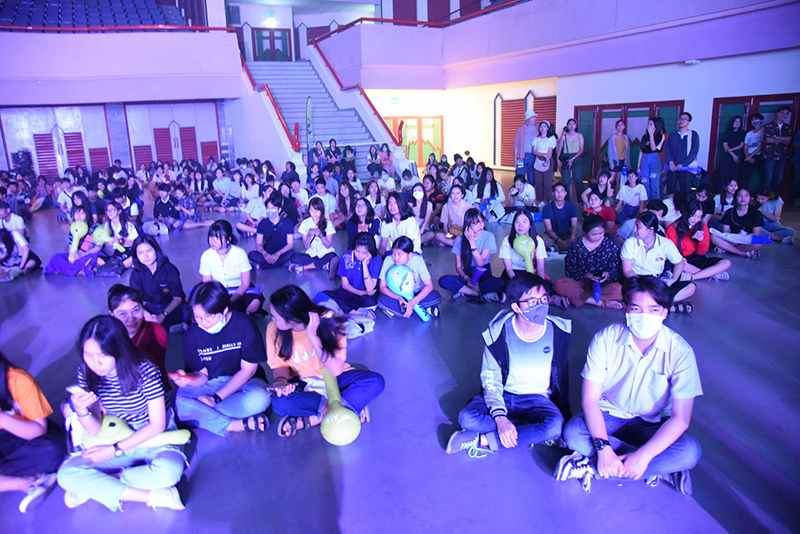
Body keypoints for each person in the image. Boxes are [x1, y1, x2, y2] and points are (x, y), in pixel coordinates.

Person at [556, 276, 703, 495]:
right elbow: (590, 399)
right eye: (636, 309)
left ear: (664, 313)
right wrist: (603, 449)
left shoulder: (681, 352)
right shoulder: (605, 339)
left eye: (653, 309)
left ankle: (591, 467)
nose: (644, 316)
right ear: (625, 309)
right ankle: (660, 467)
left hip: (652, 423)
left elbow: (680, 418)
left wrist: (643, 455)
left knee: (690, 452)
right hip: (609, 415)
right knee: (574, 433)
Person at [57, 316, 186, 511]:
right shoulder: (86, 373)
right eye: (88, 355)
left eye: (103, 355)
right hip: (116, 433)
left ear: (118, 349)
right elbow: (95, 429)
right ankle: (154, 496)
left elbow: (157, 425)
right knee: (65, 474)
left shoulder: (144, 369)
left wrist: (114, 450)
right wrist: (82, 412)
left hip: (153, 436)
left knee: (169, 471)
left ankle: (99, 485)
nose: (95, 363)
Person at [446, 273, 570, 457]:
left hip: (537, 399)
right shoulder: (497, 334)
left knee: (555, 426)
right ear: (516, 307)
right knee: (467, 418)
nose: (541, 305)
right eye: (532, 301)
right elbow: (490, 379)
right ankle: (527, 431)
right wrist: (500, 418)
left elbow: (562, 378)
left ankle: (483, 440)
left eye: (544, 299)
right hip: (503, 394)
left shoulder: (559, 331)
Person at [267, 285, 385, 436]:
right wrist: (282, 381)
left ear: (292, 318)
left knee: (375, 382)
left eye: (275, 316)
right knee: (279, 403)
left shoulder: (329, 320)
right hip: (303, 382)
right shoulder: (274, 329)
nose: (272, 319)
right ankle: (345, 409)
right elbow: (279, 364)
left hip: (335, 377)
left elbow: (335, 370)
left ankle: (310, 419)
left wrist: (313, 338)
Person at [172, 282, 271, 436]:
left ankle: (202, 416)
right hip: (212, 383)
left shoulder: (244, 324)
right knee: (181, 399)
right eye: (198, 317)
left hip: (245, 382)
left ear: (224, 310)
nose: (203, 323)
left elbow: (248, 371)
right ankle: (236, 424)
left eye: (208, 317)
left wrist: (216, 399)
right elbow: (202, 376)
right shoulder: (193, 334)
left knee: (260, 398)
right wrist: (188, 379)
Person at [0, 350, 66, 513]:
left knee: (52, 451)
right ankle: (23, 482)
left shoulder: (17, 379)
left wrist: (2, 418)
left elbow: (38, 430)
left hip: (27, 438)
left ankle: (21, 477)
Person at [620, 212, 696, 313]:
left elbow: (679, 263)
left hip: (656, 280)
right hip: (636, 280)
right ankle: (665, 306)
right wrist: (645, 282)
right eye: (635, 226)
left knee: (691, 287)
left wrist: (673, 279)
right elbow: (627, 271)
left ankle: (652, 305)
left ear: (651, 230)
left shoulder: (666, 244)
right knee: (628, 291)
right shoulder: (630, 243)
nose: (635, 230)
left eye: (638, 227)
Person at [107, 284, 170, 391]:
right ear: (112, 314)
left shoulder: (156, 331)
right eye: (122, 314)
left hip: (150, 388)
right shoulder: (106, 336)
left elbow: (154, 368)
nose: (131, 318)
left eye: (136, 310)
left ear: (142, 308)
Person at [553, 214, 623, 309]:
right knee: (560, 284)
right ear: (586, 232)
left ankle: (577, 298)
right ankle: (599, 302)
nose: (598, 237)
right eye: (593, 234)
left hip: (602, 284)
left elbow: (614, 267)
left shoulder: (610, 245)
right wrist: (585, 276)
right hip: (581, 283)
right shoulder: (576, 245)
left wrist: (607, 274)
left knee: (619, 290)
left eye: (601, 233)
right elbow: (570, 270)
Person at [199, 220, 264, 315]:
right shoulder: (206, 256)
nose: (213, 241)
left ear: (228, 239)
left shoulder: (239, 253)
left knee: (255, 302)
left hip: (240, 289)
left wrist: (230, 301)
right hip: (218, 291)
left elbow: (245, 284)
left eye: (218, 237)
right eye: (211, 236)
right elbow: (207, 284)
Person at [438, 208, 504, 302]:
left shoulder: (489, 236)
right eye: (475, 223)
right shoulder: (460, 239)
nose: (479, 226)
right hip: (468, 275)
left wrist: (471, 241)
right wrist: (467, 279)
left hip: (484, 274)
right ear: (468, 225)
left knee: (500, 282)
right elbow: (458, 267)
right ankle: (478, 293)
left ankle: (465, 290)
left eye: (481, 222)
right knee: (444, 280)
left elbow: (480, 263)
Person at [317, 232, 382, 318]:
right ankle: (356, 312)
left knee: (371, 302)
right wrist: (360, 293)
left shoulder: (376, 260)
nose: (360, 255)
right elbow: (345, 285)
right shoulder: (346, 256)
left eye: (364, 253)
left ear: (370, 252)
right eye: (357, 251)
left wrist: (364, 264)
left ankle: (342, 309)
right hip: (349, 292)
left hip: (366, 296)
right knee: (320, 295)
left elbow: (370, 289)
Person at [665, 200, 732, 281]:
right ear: (687, 214)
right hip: (681, 258)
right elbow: (671, 248)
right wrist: (680, 257)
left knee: (726, 262)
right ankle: (711, 273)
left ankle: (693, 276)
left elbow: (701, 252)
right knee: (680, 264)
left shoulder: (703, 227)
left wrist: (701, 241)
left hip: (696, 257)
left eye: (699, 217)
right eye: (693, 216)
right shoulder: (673, 227)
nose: (696, 219)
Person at [129, 235, 186, 330]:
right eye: (140, 253)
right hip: (149, 308)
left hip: (171, 306)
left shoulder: (169, 269)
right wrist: (149, 316)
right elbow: (135, 300)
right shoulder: (136, 274)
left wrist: (162, 315)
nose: (145, 256)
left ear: (156, 250)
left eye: (148, 251)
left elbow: (177, 298)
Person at [378, 236, 441, 318]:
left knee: (435, 296)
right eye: (393, 253)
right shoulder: (388, 260)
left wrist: (413, 301)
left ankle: (400, 311)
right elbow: (382, 287)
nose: (396, 258)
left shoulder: (418, 260)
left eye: (400, 254)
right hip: (397, 297)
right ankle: (422, 310)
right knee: (381, 299)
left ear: (409, 255)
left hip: (416, 294)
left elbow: (429, 286)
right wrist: (398, 297)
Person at [44, 204, 101, 277]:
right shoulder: (73, 228)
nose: (78, 216)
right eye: (76, 213)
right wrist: (73, 256)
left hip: (89, 254)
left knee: (92, 259)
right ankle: (78, 269)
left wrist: (82, 255)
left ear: (87, 215)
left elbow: (98, 247)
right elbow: (71, 247)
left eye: (82, 213)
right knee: (55, 258)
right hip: (77, 256)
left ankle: (71, 269)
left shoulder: (95, 227)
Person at [288, 197, 338, 277]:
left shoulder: (328, 224)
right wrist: (309, 235)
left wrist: (320, 235)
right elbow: (306, 246)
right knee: (293, 257)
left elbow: (328, 245)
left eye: (317, 211)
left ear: (321, 211)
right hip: (311, 254)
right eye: (312, 210)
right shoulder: (305, 223)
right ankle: (324, 265)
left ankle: (303, 268)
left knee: (332, 255)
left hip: (325, 253)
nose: (314, 213)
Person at [247, 191, 295, 270]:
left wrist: (278, 253)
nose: (270, 210)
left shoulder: (287, 223)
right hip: (268, 252)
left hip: (282, 252)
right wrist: (265, 254)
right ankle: (280, 263)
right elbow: (258, 244)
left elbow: (290, 244)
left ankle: (263, 266)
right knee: (251, 255)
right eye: (268, 208)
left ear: (279, 210)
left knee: (291, 254)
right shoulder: (263, 223)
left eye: (273, 208)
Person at [499, 209, 547, 283]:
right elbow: (509, 269)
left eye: (524, 221)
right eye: (517, 221)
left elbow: (540, 268)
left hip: (532, 273)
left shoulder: (538, 240)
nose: (520, 225)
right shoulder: (507, 240)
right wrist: (518, 282)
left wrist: (540, 283)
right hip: (513, 274)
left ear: (530, 225)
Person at [716, 187, 765, 258]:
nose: (743, 198)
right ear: (735, 197)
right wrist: (733, 238)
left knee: (757, 244)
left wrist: (740, 238)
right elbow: (725, 231)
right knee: (713, 237)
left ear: (750, 198)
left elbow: (756, 233)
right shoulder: (729, 212)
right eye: (740, 196)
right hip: (731, 239)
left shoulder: (756, 213)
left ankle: (726, 249)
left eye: (746, 196)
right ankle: (742, 253)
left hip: (746, 240)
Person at [664, 112, 700, 195]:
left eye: (685, 119)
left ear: (689, 122)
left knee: (686, 191)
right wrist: (670, 162)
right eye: (680, 118)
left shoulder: (693, 135)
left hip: (686, 168)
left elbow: (694, 152)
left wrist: (683, 164)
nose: (682, 121)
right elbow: (667, 149)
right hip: (673, 167)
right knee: (671, 190)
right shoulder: (672, 135)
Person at [762, 106, 793, 193]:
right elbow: (768, 140)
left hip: (782, 156)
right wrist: (783, 140)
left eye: (786, 113)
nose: (784, 115)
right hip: (770, 155)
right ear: (778, 113)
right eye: (782, 112)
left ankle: (774, 198)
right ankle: (764, 198)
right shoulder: (769, 126)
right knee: (768, 178)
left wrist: (776, 137)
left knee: (778, 179)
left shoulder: (787, 127)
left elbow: (788, 140)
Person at [542, 183, 578, 252]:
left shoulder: (572, 206)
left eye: (562, 191)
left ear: (565, 193)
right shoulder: (547, 208)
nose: (559, 193)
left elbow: (574, 225)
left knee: (580, 239)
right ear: (553, 193)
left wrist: (572, 237)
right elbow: (549, 229)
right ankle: (562, 247)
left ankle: (555, 248)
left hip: (567, 234)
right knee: (542, 240)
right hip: (553, 236)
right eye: (557, 191)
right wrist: (559, 241)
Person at [557, 118, 585, 203]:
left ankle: (581, 200)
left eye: (573, 124)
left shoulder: (579, 135)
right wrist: (557, 159)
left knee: (578, 180)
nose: (571, 126)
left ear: (576, 125)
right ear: (567, 125)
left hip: (576, 157)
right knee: (566, 181)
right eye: (569, 124)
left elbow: (581, 150)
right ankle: (567, 200)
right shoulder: (564, 136)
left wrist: (572, 159)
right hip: (566, 157)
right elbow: (559, 149)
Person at [638, 117, 666, 200]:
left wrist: (651, 135)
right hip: (645, 158)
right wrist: (638, 166)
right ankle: (646, 202)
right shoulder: (644, 137)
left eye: (651, 124)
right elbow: (641, 151)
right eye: (648, 124)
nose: (648, 126)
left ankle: (655, 203)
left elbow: (653, 148)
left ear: (656, 126)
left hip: (655, 158)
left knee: (654, 183)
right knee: (645, 182)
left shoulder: (661, 136)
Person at [717, 116, 746, 191]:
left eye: (739, 122)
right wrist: (732, 154)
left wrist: (731, 150)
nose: (737, 123)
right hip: (727, 156)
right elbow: (725, 147)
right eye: (735, 121)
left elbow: (741, 145)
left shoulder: (742, 133)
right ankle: (722, 191)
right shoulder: (727, 133)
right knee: (724, 174)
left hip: (738, 156)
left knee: (735, 174)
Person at [532, 121, 557, 203]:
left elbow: (550, 151)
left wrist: (547, 160)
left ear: (548, 128)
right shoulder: (536, 139)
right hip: (538, 160)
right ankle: (541, 201)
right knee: (538, 183)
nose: (542, 128)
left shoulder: (551, 138)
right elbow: (534, 151)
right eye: (541, 126)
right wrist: (543, 154)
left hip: (548, 160)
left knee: (547, 183)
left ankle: (549, 200)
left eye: (545, 126)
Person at [739, 113, 765, 188]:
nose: (754, 121)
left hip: (757, 155)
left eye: (756, 119)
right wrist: (747, 156)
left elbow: (761, 146)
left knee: (747, 173)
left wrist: (750, 157)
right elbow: (745, 147)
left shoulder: (763, 131)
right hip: (747, 155)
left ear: (761, 120)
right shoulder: (749, 134)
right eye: (753, 120)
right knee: (742, 173)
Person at [514, 110, 538, 186]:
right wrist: (515, 159)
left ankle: (530, 192)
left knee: (532, 177)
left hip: (533, 157)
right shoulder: (521, 130)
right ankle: (519, 192)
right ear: (527, 119)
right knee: (520, 176)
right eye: (532, 117)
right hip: (521, 157)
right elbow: (516, 146)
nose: (534, 119)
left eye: (535, 117)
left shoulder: (538, 128)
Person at [608, 120, 631, 191]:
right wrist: (611, 163)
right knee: (612, 179)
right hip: (615, 160)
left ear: (624, 126)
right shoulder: (613, 136)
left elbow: (628, 151)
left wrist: (627, 162)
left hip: (623, 160)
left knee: (619, 180)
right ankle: (608, 193)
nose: (620, 126)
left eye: (622, 125)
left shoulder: (626, 137)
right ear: (616, 127)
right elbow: (610, 150)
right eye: (618, 125)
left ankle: (617, 195)